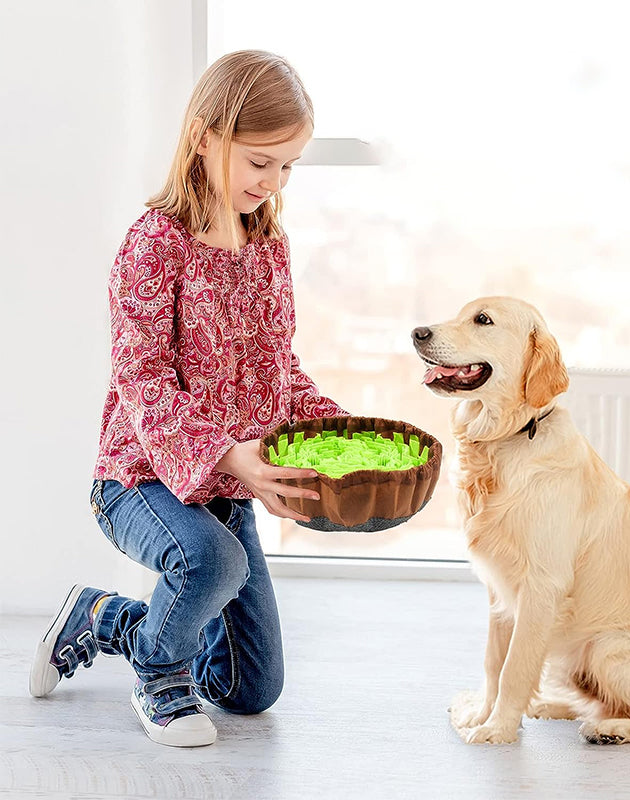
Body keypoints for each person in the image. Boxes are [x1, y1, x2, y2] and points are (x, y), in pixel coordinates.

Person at [29, 50, 347, 747]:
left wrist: (337, 428)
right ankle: (159, 681)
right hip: (138, 480)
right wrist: (230, 453)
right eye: (261, 161)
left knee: (250, 690)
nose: (274, 181)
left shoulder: (269, 246)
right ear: (205, 136)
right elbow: (142, 381)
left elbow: (277, 367)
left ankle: (99, 617)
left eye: (288, 165)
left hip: (223, 486)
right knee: (215, 561)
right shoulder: (153, 246)